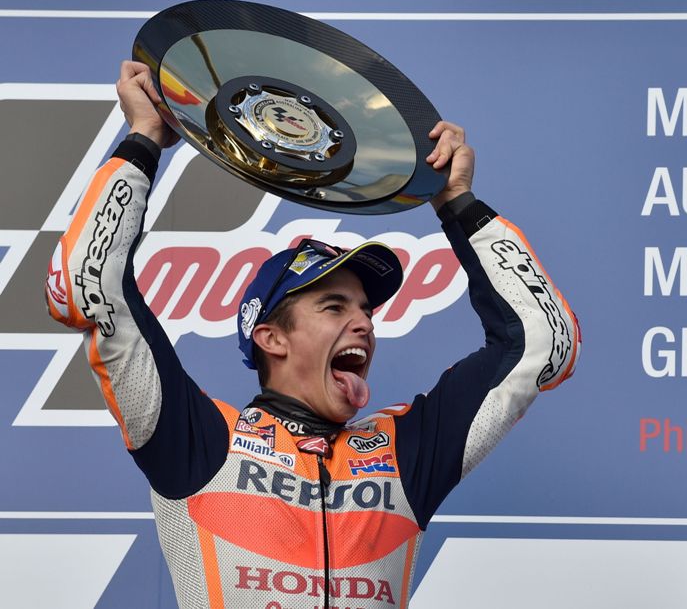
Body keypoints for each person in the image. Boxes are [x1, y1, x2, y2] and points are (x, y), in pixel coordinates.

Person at [45, 61, 580, 609]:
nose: (364, 322)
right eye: (333, 305)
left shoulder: (404, 454)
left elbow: (544, 344)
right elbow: (87, 283)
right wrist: (143, 141)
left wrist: (458, 203)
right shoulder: (198, 440)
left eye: (366, 308)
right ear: (271, 337)